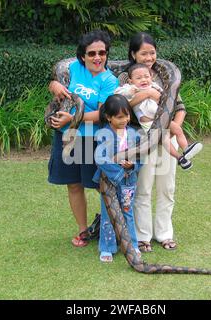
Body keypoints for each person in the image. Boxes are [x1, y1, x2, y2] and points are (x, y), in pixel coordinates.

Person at [119, 32, 200, 252]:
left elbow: (179, 106)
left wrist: (175, 126)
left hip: (166, 135)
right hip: (142, 138)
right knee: (143, 187)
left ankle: (164, 233)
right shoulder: (126, 78)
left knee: (167, 187)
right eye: (143, 53)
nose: (148, 57)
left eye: (152, 52)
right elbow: (121, 107)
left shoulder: (166, 77)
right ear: (133, 54)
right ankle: (143, 236)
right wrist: (148, 95)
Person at [47, 30, 119, 248]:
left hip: (92, 139)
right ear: (83, 56)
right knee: (73, 184)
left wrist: (72, 118)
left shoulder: (109, 80)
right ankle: (83, 230)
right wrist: (55, 86)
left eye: (102, 53)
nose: (97, 57)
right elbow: (55, 85)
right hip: (67, 136)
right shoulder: (72, 68)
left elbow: (102, 114)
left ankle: (115, 225)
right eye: (92, 53)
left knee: (98, 184)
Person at [115, 63, 202, 170]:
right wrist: (130, 90)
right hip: (148, 122)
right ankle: (179, 157)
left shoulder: (154, 86)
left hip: (161, 118)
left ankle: (186, 149)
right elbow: (118, 94)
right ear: (131, 81)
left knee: (177, 129)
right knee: (165, 139)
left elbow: (167, 96)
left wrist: (159, 95)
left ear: (151, 77)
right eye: (139, 78)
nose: (143, 80)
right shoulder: (130, 88)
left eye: (146, 77)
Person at [93, 94, 142, 262]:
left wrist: (133, 166)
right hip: (109, 182)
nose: (124, 120)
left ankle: (133, 245)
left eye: (127, 115)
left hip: (129, 182)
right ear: (109, 117)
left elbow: (141, 157)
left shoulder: (134, 134)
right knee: (108, 215)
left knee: (127, 212)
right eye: (119, 117)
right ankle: (107, 248)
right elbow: (100, 159)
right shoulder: (103, 134)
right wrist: (120, 172)